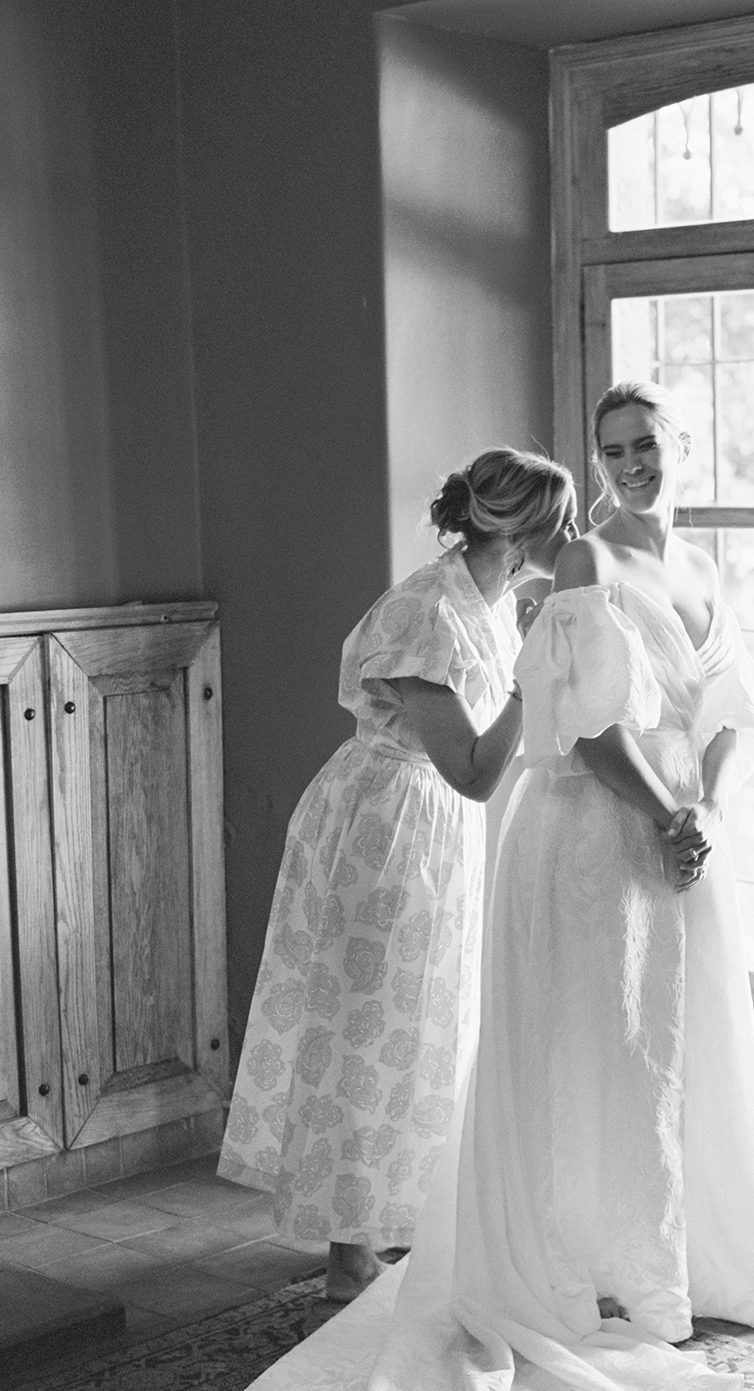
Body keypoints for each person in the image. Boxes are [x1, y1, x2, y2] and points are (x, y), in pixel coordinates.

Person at [184, 383, 754, 1391]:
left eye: (642, 447)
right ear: (521, 519)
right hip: (424, 822)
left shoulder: (546, 590)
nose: (620, 476)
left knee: (468, 1032)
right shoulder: (459, 603)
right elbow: (502, 752)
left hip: (503, 824)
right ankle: (375, 1251)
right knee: (391, 1031)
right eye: (605, 458)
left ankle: (470, 1236)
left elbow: (678, 703)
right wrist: (557, 703)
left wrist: (684, 787)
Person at [217, 447, 577, 1303]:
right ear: (520, 531)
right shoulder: (427, 613)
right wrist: (529, 681)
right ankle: (347, 1255)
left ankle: (402, 1219)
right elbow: (474, 771)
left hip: (434, 826)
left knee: (428, 1025)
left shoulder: (496, 602)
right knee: (367, 1025)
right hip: (386, 825)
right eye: (564, 522)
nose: (577, 536)